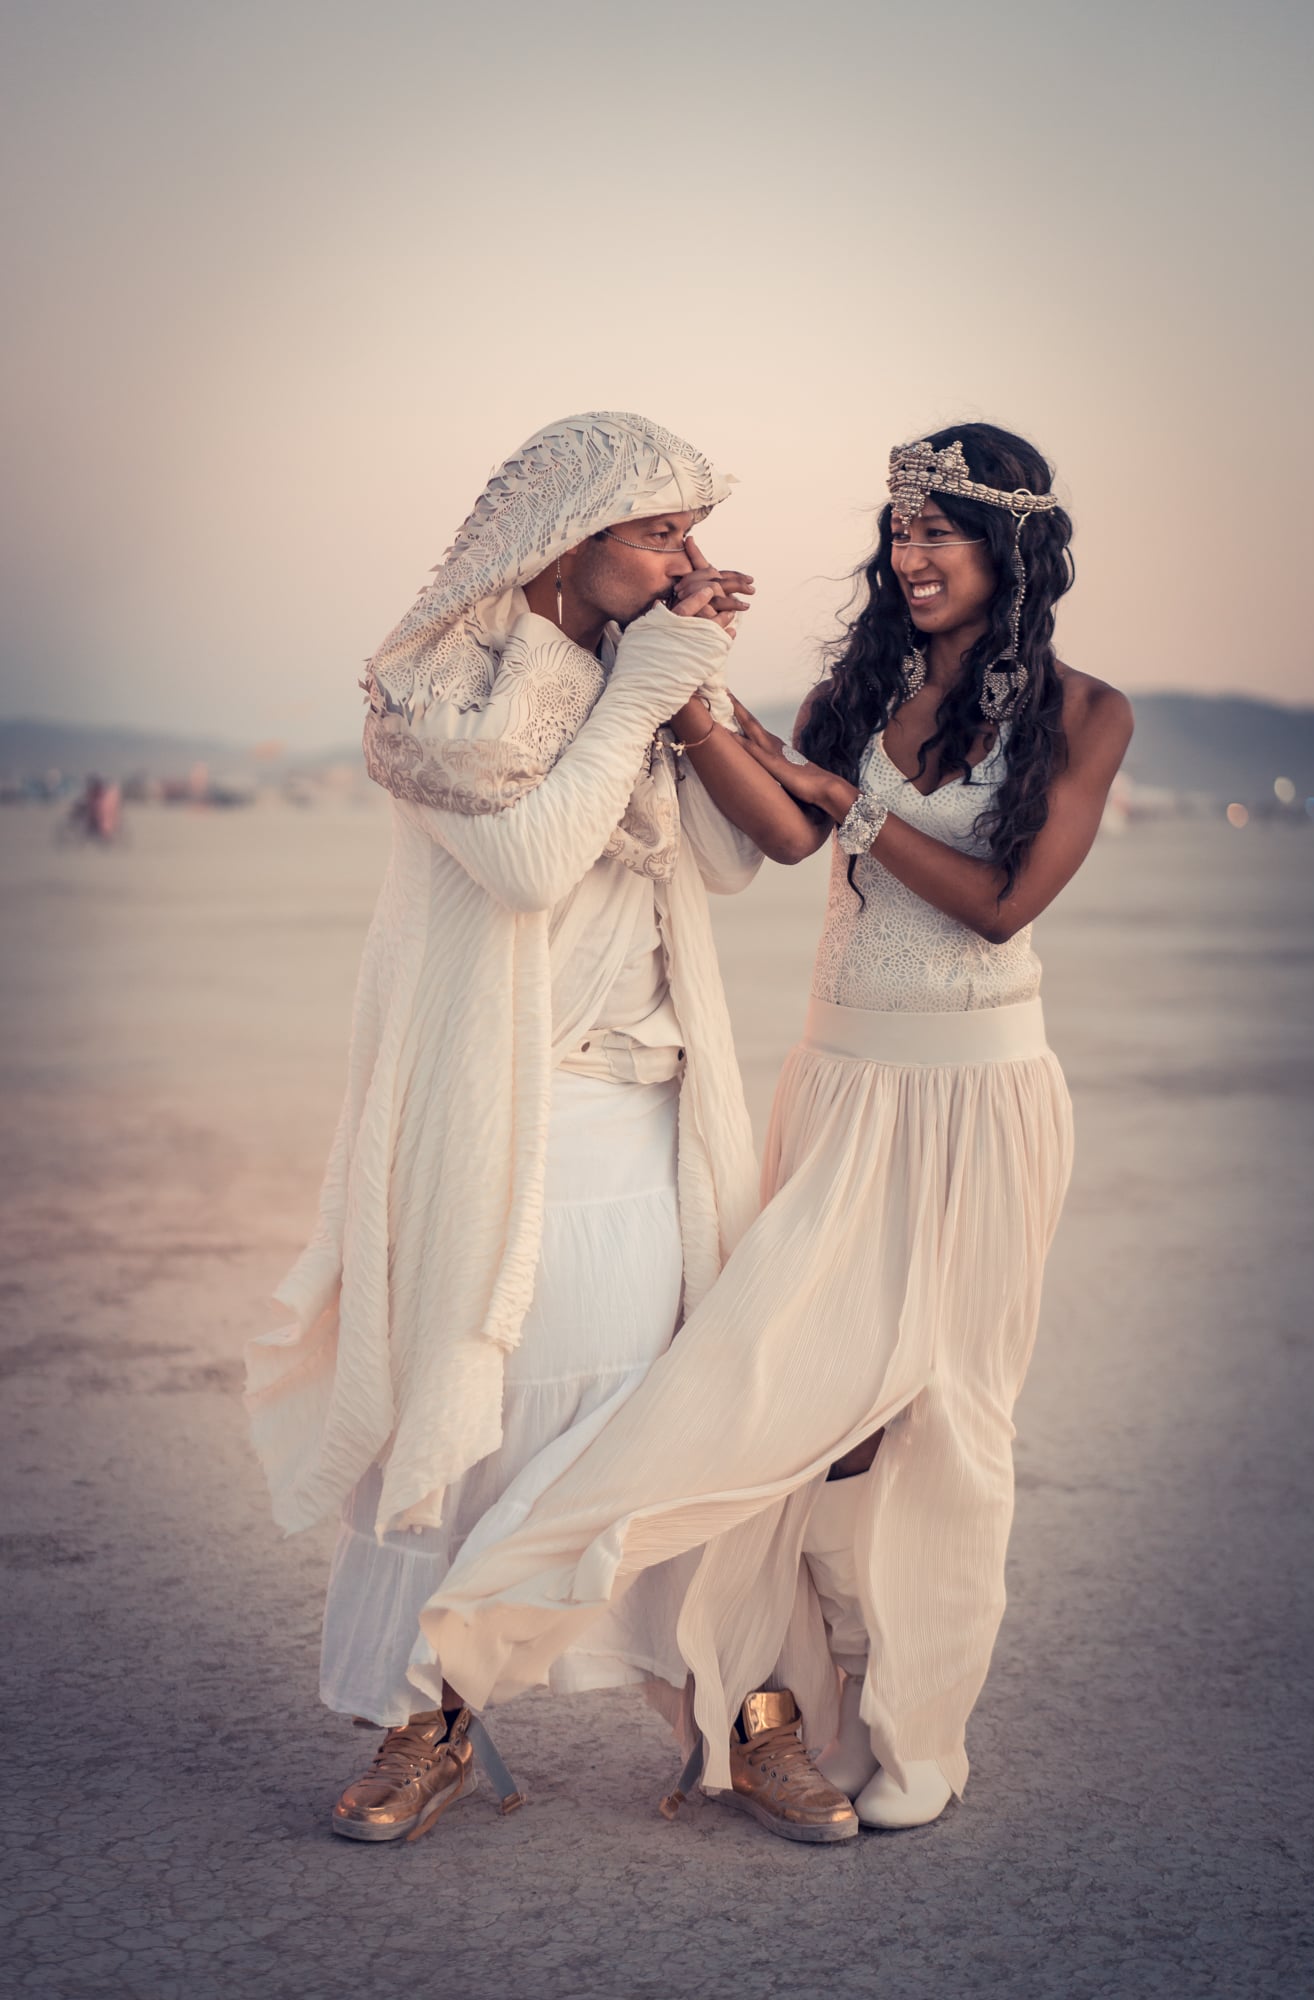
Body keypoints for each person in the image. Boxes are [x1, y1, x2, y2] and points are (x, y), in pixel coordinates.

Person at [409, 422, 1134, 1842]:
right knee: (770, 1392)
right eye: (900, 530)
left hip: (983, 1093)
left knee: (950, 1421)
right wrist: (687, 694)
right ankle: (581, 1649)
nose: (911, 556)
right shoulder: (852, 688)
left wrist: (849, 807)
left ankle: (914, 1741)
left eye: (941, 531)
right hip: (839, 1079)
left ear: (1012, 550)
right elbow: (787, 840)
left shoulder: (1088, 709)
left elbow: (996, 902)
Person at [245, 411, 769, 1844]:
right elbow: (533, 863)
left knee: (662, 1412)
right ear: (572, 535)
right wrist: (638, 690)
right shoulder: (433, 691)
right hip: (504, 1105)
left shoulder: (636, 672)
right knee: (469, 1414)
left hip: (654, 1107)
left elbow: (726, 862)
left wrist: (691, 694)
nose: (689, 559)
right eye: (661, 530)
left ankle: (739, 1704)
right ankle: (429, 1716)